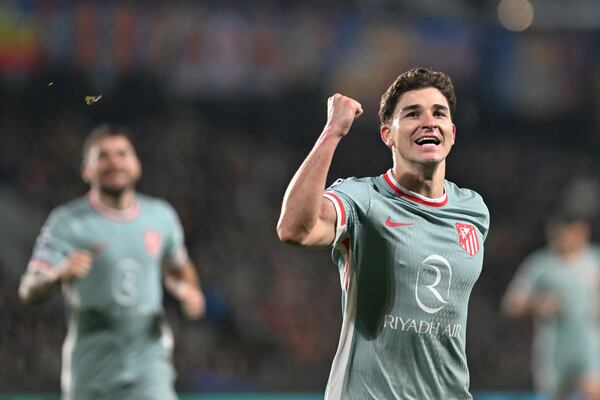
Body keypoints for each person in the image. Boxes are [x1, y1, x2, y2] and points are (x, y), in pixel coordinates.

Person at [277, 68, 489, 399]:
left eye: (439, 113)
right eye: (413, 113)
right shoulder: (363, 200)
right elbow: (294, 228)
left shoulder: (473, 211)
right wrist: (333, 131)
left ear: (452, 132)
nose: (429, 121)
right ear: (387, 134)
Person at [18, 124, 206, 400]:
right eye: (103, 156)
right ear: (86, 170)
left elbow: (178, 269)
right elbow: (28, 289)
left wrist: (187, 290)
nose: (114, 162)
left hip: (149, 370)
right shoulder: (68, 222)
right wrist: (57, 274)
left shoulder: (161, 217)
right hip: (91, 374)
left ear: (137, 165)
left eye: (121, 153)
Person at [502, 213, 600, 400]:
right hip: (553, 348)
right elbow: (511, 304)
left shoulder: (595, 260)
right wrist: (538, 304)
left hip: (589, 345)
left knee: (593, 391)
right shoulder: (539, 265)